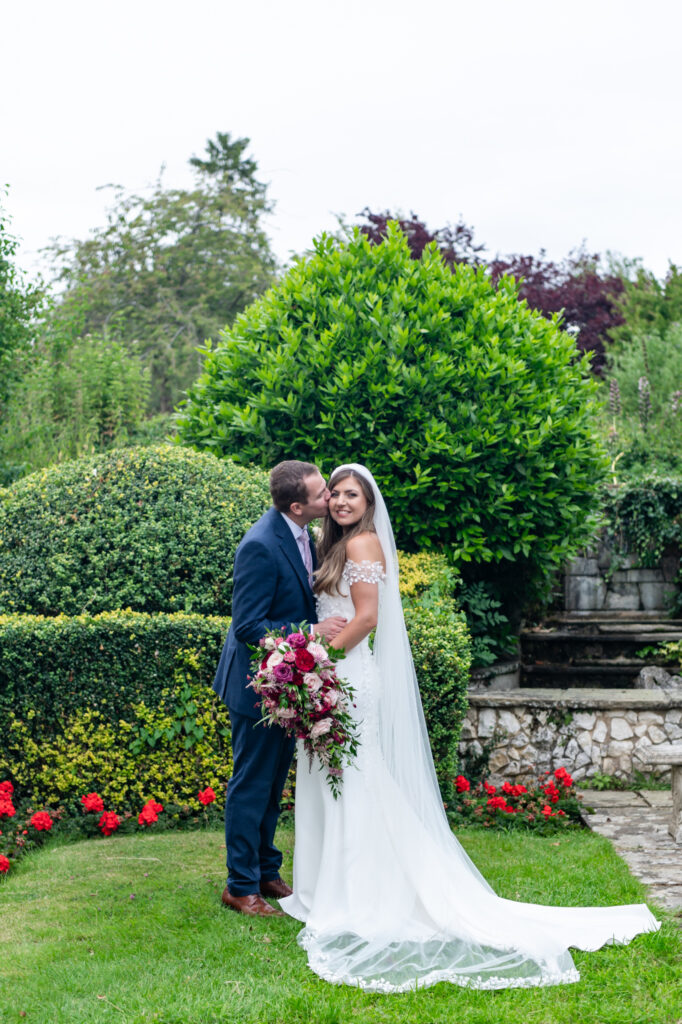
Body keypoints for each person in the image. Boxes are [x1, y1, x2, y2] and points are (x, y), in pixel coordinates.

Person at [279, 463, 660, 991]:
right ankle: (325, 887)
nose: (341, 501)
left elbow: (366, 619)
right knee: (332, 777)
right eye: (336, 494)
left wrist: (316, 658)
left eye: (352, 494)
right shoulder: (335, 547)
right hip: (331, 673)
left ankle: (356, 891)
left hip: (346, 676)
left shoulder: (363, 546)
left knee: (354, 778)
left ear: (368, 503)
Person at [214, 460, 346, 917]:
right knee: (251, 785)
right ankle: (240, 885)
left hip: (285, 684)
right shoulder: (260, 545)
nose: (330, 497)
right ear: (298, 505)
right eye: (322, 493)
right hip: (256, 688)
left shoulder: (302, 531)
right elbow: (248, 625)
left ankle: (267, 872)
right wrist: (313, 630)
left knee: (273, 786)